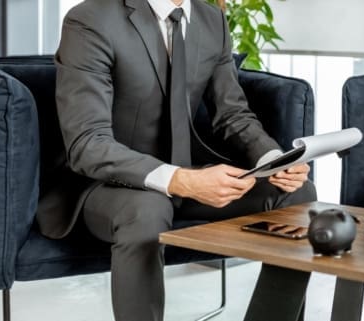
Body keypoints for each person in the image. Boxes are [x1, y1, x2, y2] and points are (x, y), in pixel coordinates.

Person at [51, 0, 314, 320]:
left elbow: (232, 114)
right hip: (104, 184)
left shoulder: (212, 19)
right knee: (149, 209)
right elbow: (87, 143)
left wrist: (274, 159)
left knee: (298, 194)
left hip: (187, 175)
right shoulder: (90, 20)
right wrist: (180, 180)